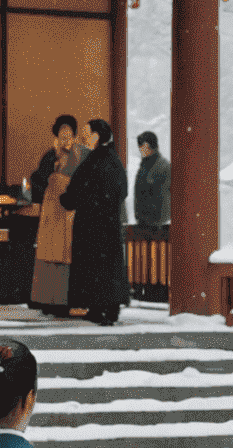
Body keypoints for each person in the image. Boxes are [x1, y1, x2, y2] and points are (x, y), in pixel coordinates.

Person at [61, 118, 128, 325]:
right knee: (108, 266)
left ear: (97, 136)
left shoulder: (93, 161)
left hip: (91, 224)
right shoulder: (113, 161)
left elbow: (76, 191)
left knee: (93, 267)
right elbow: (121, 191)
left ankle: (97, 307)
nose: (84, 139)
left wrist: (68, 199)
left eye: (87, 134)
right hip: (108, 224)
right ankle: (109, 306)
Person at [28, 115, 89, 315]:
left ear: (74, 135)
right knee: (48, 253)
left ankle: (67, 300)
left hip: (70, 210)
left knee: (67, 254)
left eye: (69, 133)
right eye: (62, 133)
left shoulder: (81, 155)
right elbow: (37, 180)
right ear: (56, 135)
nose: (65, 137)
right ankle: (47, 300)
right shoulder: (50, 155)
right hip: (51, 209)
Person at [133, 131, 171, 227]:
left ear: (150, 145)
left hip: (158, 224)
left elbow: (165, 197)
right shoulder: (144, 166)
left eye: (142, 146)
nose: (140, 149)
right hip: (144, 222)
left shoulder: (163, 166)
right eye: (139, 146)